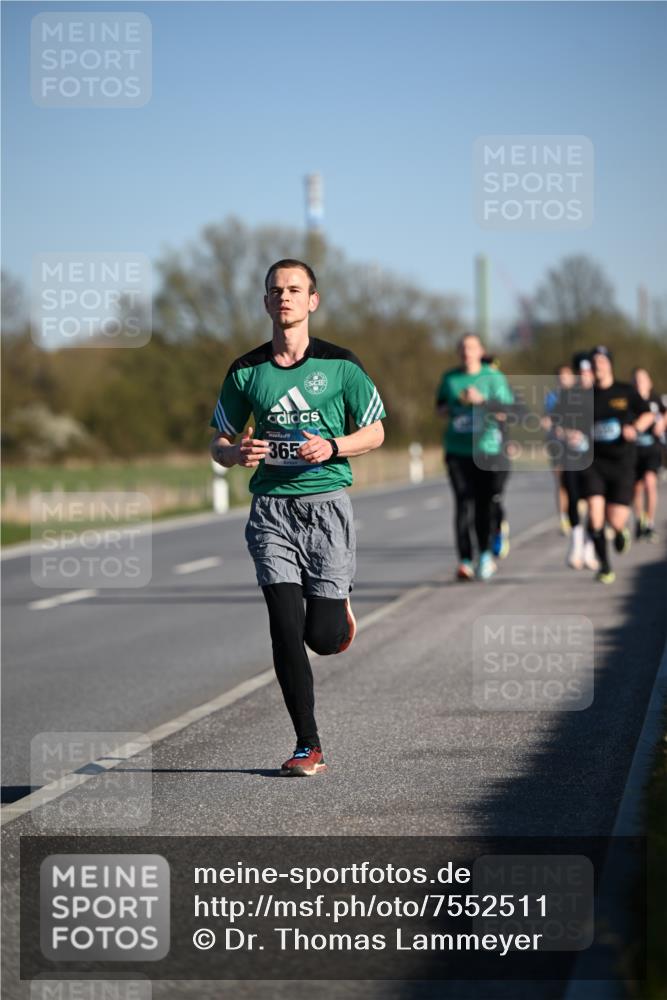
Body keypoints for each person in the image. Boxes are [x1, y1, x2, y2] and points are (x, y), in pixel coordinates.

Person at [209, 259, 385, 775]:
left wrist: (332, 445)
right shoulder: (246, 371)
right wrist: (234, 454)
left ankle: (338, 610)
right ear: (265, 303)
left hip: (326, 508)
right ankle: (308, 744)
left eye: (294, 289)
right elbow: (219, 442)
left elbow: (375, 431)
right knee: (284, 627)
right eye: (275, 291)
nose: (283, 298)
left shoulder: (341, 365)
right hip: (272, 512)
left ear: (312, 300)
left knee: (322, 638)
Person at [436, 334, 514, 580]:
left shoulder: (493, 378)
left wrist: (481, 400)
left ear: (481, 351)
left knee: (483, 504)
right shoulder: (450, 378)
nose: (466, 351)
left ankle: (485, 555)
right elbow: (439, 408)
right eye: (463, 347)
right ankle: (465, 560)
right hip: (457, 451)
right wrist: (452, 405)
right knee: (462, 503)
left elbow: (508, 411)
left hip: (486, 451)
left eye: (471, 347)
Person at [579, 345, 653, 583]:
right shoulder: (585, 396)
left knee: (616, 519)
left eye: (602, 361)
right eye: (594, 362)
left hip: (622, 463)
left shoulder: (626, 391)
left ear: (609, 364)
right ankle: (605, 566)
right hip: (594, 463)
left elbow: (647, 414)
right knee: (595, 514)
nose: (598, 365)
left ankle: (621, 531)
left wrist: (636, 428)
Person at [550, 353, 596, 570]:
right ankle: (576, 544)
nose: (585, 376)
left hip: (597, 458)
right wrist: (567, 434)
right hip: (572, 455)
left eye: (589, 372)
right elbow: (555, 423)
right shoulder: (568, 396)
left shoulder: (602, 394)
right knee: (574, 497)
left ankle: (590, 547)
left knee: (594, 503)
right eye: (582, 373)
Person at [481, 354, 511, 560]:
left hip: (498, 454)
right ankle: (483, 541)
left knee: (494, 498)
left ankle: (498, 532)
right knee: (478, 501)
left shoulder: (502, 388)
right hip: (475, 453)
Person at [632, 366, 665, 542]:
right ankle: (639, 520)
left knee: (650, 484)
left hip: (652, 449)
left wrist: (662, 424)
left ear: (649, 382)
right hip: (634, 450)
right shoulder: (630, 401)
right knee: (636, 488)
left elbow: (665, 414)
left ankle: (650, 524)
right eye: (636, 380)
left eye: (643, 379)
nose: (639, 383)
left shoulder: (656, 399)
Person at [543, 364, 576, 535]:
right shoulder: (551, 397)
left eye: (566, 375)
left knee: (576, 480)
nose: (563, 379)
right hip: (556, 443)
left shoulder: (580, 396)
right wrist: (548, 424)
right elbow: (547, 418)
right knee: (560, 480)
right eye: (560, 376)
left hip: (575, 445)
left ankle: (576, 511)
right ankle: (563, 518)